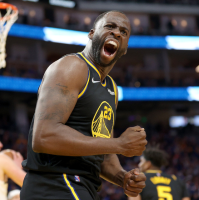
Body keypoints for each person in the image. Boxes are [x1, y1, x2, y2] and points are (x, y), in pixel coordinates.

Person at [21, 10, 147, 200]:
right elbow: (44, 136)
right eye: (110, 26)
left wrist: (123, 178)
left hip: (79, 185)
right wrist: (119, 144)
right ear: (91, 33)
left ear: (126, 47)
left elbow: (103, 153)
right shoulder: (73, 66)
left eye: (124, 31)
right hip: (55, 182)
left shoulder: (111, 88)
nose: (117, 33)